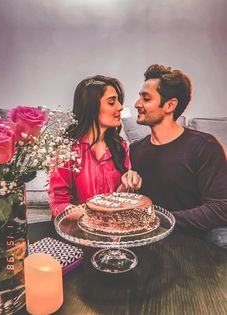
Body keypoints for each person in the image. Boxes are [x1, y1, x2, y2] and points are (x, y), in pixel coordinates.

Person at [130, 64, 227, 245]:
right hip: (147, 245)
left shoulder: (204, 146)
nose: (137, 104)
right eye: (139, 97)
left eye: (146, 98)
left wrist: (159, 220)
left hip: (193, 246)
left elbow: (221, 208)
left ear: (170, 105)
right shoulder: (135, 150)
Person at [48, 75, 141, 218]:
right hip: (78, 233)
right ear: (91, 107)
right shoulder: (68, 149)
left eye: (118, 101)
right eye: (111, 102)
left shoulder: (121, 147)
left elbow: (121, 202)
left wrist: (128, 184)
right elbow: (58, 204)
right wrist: (88, 217)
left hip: (113, 231)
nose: (120, 107)